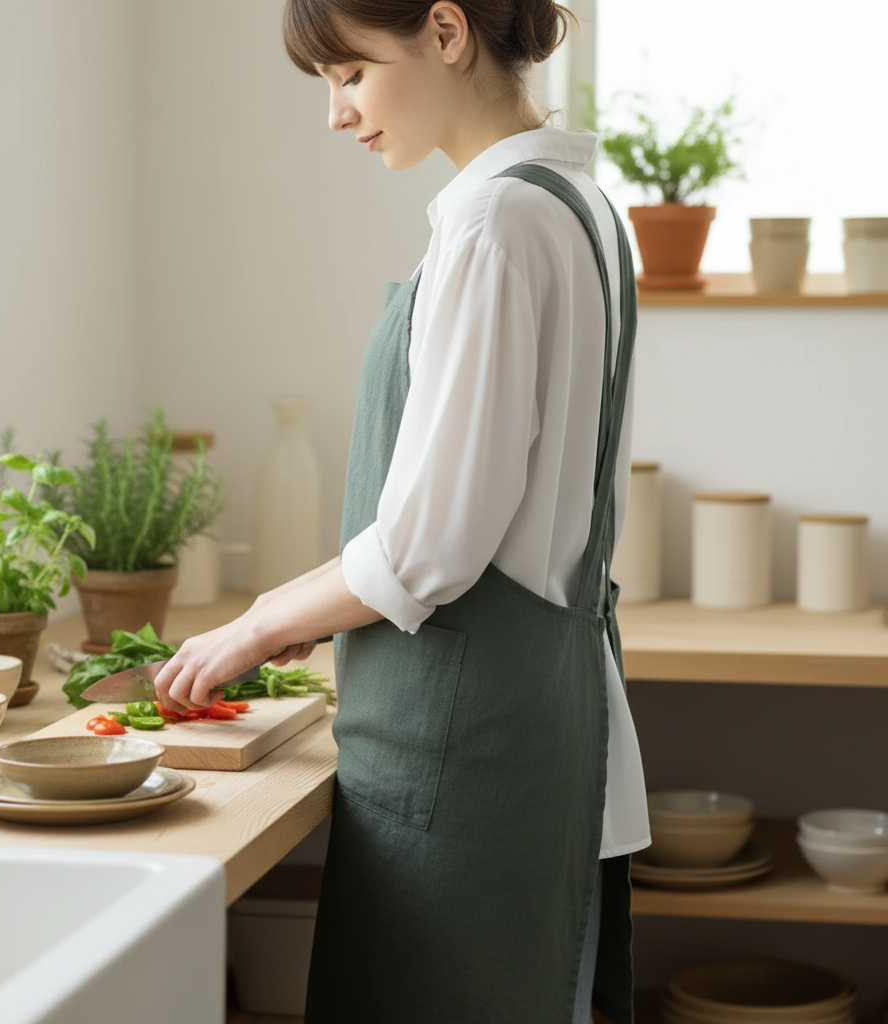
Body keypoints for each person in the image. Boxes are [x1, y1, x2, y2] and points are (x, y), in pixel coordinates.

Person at [153, 2, 651, 1021]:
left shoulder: (493, 221)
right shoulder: (582, 205)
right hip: (534, 724)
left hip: (466, 757)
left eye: (350, 74)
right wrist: (308, 615)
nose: (336, 115)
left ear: (445, 30)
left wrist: (255, 625)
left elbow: (429, 547)